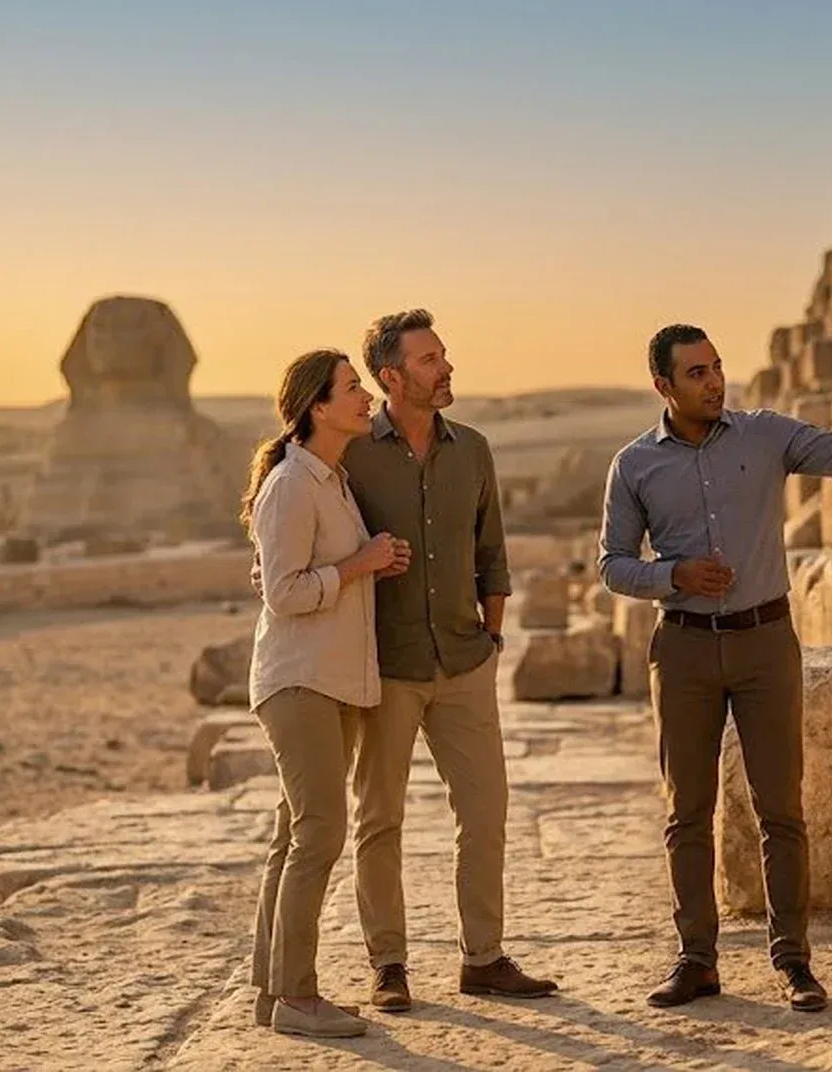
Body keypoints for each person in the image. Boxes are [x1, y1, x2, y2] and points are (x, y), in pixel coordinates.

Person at [598, 324, 832, 1013]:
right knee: (687, 811)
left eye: (716, 367)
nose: (714, 382)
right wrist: (671, 573)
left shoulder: (767, 435)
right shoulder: (634, 465)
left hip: (765, 642)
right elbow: (612, 564)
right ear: (663, 387)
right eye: (696, 374)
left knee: (782, 809)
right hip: (681, 648)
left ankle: (794, 961)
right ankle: (696, 960)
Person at [342, 309, 556, 1010]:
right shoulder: (351, 453)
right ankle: (388, 964)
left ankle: (484, 958)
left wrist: (492, 638)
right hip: (387, 666)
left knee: (486, 812)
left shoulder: (474, 449)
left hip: (465, 660)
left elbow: (492, 551)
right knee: (380, 818)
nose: (447, 368)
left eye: (444, 355)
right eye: (430, 359)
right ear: (391, 376)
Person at [243, 349, 412, 1039]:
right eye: (351, 389)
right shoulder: (291, 484)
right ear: (317, 406)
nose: (366, 397)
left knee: (293, 836)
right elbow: (282, 594)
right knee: (321, 833)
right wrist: (359, 565)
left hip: (329, 680)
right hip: (298, 680)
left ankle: (270, 990)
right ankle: (298, 996)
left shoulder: (332, 480)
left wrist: (368, 564)